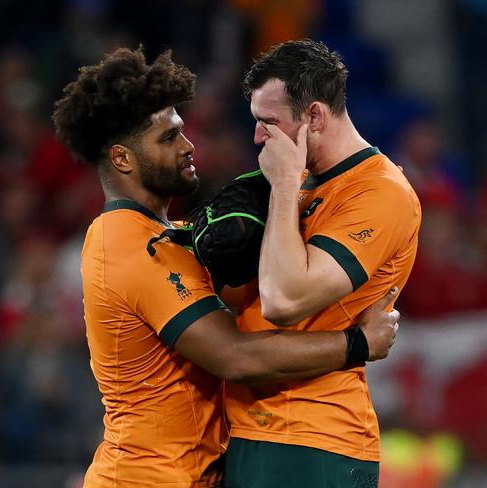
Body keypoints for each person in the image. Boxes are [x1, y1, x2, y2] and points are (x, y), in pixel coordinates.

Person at [52, 47, 400, 487]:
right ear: (122, 158)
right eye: (168, 138)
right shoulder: (119, 240)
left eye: (182, 132)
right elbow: (236, 356)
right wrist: (358, 344)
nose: (187, 146)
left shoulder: (177, 234)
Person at [224, 40, 422, 487]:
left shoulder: (380, 192)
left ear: (314, 116)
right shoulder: (301, 186)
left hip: (314, 439)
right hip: (254, 429)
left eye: (268, 123)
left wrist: (283, 184)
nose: (258, 138)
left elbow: (283, 299)